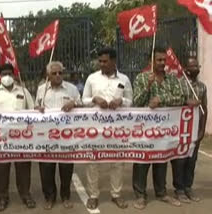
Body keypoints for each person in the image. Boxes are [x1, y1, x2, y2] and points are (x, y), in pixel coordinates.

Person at [132, 47, 185, 209]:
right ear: (151, 61)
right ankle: (140, 195)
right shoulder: (141, 78)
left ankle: (161, 192)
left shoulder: (172, 79)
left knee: (161, 160)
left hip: (165, 130)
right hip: (144, 130)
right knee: (142, 162)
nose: (162, 63)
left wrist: (160, 100)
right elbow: (136, 102)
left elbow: (180, 98)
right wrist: (147, 87)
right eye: (159, 60)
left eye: (164, 60)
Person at [82, 47, 133, 210]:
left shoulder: (124, 79)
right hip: (95, 127)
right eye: (100, 61)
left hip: (117, 128)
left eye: (105, 61)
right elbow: (84, 100)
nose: (101, 64)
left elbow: (130, 101)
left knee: (117, 161)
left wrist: (121, 102)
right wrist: (95, 99)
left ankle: (116, 195)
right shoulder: (92, 78)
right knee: (93, 161)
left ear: (113, 61)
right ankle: (93, 195)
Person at [0, 63, 36, 212]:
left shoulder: (23, 91)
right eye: (4, 74)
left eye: (9, 73)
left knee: (24, 168)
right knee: (1, 169)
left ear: (14, 75)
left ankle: (26, 194)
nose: (7, 77)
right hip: (0, 139)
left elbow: (32, 113)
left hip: (21, 138)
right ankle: (2, 197)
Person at [35, 61, 81, 210]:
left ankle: (66, 196)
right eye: (54, 73)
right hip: (46, 136)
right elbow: (36, 108)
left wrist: (73, 104)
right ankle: (49, 197)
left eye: (60, 73)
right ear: (48, 75)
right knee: (46, 168)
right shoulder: (42, 90)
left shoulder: (71, 89)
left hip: (67, 136)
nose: (57, 76)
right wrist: (38, 108)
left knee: (66, 168)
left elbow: (82, 106)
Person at [171, 56, 208, 203]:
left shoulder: (202, 87)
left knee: (192, 160)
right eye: (193, 66)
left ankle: (188, 187)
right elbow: (172, 104)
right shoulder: (178, 84)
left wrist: (202, 130)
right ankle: (179, 189)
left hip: (195, 130)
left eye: (197, 66)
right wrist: (186, 102)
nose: (196, 69)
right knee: (180, 160)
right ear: (186, 69)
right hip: (181, 129)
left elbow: (204, 108)